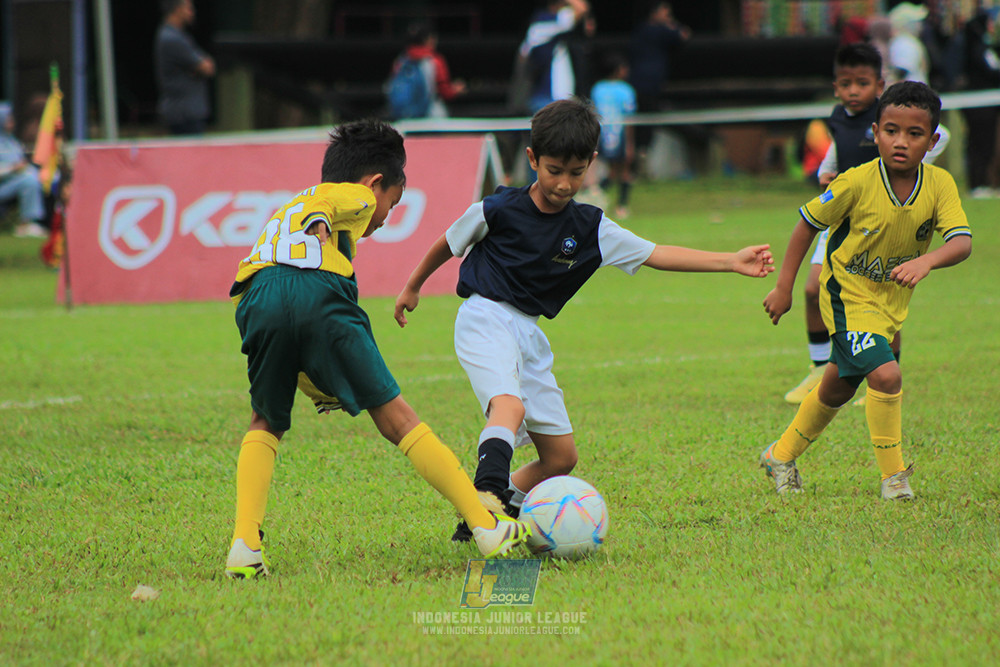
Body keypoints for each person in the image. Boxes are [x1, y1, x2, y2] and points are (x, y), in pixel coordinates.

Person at [394, 99, 775, 541]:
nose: (563, 183)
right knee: (509, 407)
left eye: (576, 172)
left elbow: (656, 253)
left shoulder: (590, 227)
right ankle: (485, 505)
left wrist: (731, 260)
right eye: (554, 170)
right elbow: (449, 241)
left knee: (560, 457)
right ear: (533, 159)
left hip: (529, 333)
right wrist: (413, 285)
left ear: (591, 163)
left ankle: (474, 522)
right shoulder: (498, 209)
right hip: (484, 316)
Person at [223, 119, 531, 579]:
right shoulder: (350, 195)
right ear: (376, 183)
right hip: (318, 291)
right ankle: (486, 524)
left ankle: (244, 546)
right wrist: (320, 222)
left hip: (256, 295)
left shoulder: (290, 206)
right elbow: (331, 204)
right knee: (398, 419)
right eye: (394, 201)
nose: (385, 214)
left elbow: (291, 298)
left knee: (264, 420)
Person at [761, 81, 972, 500]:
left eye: (914, 134)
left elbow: (961, 242)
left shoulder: (940, 185)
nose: (900, 142)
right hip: (845, 296)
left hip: (889, 304)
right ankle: (894, 478)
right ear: (875, 132)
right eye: (891, 130)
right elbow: (807, 224)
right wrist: (784, 287)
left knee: (838, 387)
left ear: (931, 142)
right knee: (887, 373)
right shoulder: (856, 182)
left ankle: (779, 455)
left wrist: (925, 261)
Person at [783, 43, 950, 405]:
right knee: (813, 290)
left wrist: (914, 169)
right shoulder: (838, 117)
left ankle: (885, 373)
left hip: (886, 221)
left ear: (878, 85)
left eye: (861, 83)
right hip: (841, 217)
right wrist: (828, 170)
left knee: (884, 300)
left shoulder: (894, 117)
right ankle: (817, 368)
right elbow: (837, 149)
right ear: (835, 87)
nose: (853, 91)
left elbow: (941, 135)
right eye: (845, 84)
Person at [628, 1, 690, 154]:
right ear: (654, 13)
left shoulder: (640, 29)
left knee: (639, 121)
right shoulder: (661, 30)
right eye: (666, 13)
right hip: (649, 85)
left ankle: (639, 153)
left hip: (636, 83)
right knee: (647, 121)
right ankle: (642, 154)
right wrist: (671, 24)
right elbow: (684, 34)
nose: (668, 16)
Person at [154, 0, 215, 136]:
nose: (192, 13)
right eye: (188, 8)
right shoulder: (172, 39)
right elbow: (206, 67)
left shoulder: (177, 36)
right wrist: (199, 67)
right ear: (177, 9)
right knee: (192, 156)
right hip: (184, 114)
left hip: (185, 112)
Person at [519, 0, 590, 114]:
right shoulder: (544, 21)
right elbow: (582, 9)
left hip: (557, 97)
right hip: (546, 96)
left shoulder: (554, 34)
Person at [387, 21, 466, 120]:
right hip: (429, 117)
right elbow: (445, 92)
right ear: (428, 39)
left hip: (402, 119)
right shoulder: (434, 61)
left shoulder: (400, 61)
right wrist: (456, 89)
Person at [590, 53, 636, 220]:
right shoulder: (626, 90)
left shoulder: (597, 88)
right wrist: (630, 144)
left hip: (604, 134)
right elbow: (629, 118)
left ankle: (599, 201)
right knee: (622, 170)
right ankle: (620, 206)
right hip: (619, 132)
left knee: (611, 171)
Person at [961, 9, 1000, 198]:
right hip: (978, 106)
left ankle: (983, 182)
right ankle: (977, 184)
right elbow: (992, 71)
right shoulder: (978, 49)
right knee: (979, 143)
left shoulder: (985, 47)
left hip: (987, 105)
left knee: (985, 143)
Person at [0, 102, 47, 238]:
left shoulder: (12, 142)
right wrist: (12, 169)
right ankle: (25, 224)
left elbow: (24, 164)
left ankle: (51, 222)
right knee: (29, 181)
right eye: (8, 118)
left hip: (13, 183)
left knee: (44, 178)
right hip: (3, 185)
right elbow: (15, 168)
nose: (12, 122)